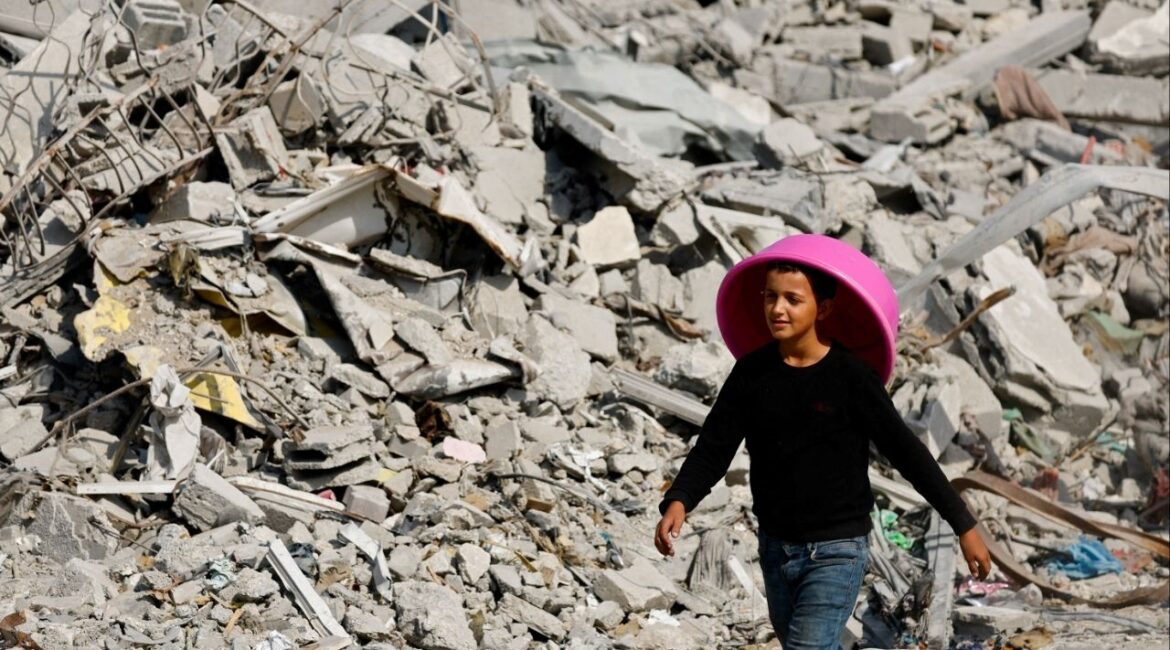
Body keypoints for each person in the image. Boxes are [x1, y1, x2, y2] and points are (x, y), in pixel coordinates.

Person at [653, 260, 992, 650]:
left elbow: (907, 453)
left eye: (793, 299)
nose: (778, 309)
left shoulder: (852, 377)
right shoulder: (751, 374)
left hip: (837, 549)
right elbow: (715, 445)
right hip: (776, 546)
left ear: (824, 309)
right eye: (771, 296)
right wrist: (680, 499)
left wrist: (963, 524)